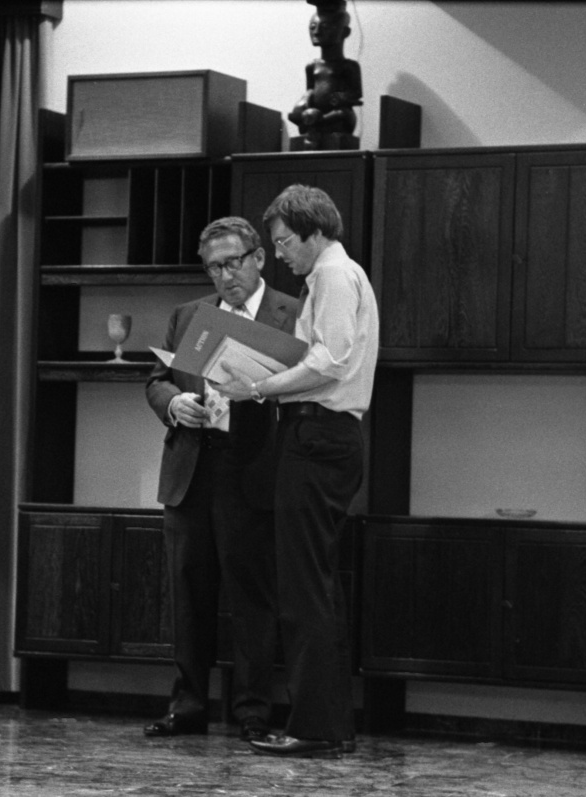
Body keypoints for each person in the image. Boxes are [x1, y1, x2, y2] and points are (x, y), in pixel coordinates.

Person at [217, 185, 379, 759]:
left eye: (284, 241)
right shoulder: (330, 277)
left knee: (305, 588)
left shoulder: (335, 276)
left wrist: (256, 386)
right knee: (311, 585)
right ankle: (324, 724)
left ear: (314, 231)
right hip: (319, 437)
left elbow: (328, 362)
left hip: (319, 437)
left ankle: (316, 728)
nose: (280, 253)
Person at [143, 216, 301, 743]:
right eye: (214, 266)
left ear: (258, 257)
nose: (224, 275)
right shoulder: (189, 315)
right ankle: (187, 707)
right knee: (188, 595)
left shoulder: (293, 314)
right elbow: (158, 380)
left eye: (233, 262)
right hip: (191, 471)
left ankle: (253, 712)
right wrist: (175, 403)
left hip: (253, 471)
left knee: (252, 600)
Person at [288, 0, 363, 150]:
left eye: (326, 27)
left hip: (336, 115)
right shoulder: (312, 66)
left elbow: (356, 93)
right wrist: (304, 103)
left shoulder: (349, 66)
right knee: (295, 115)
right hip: (316, 112)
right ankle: (314, 121)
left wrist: (343, 97)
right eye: (313, 27)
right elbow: (310, 89)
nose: (317, 32)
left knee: (342, 115)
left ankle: (315, 123)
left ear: (345, 32)